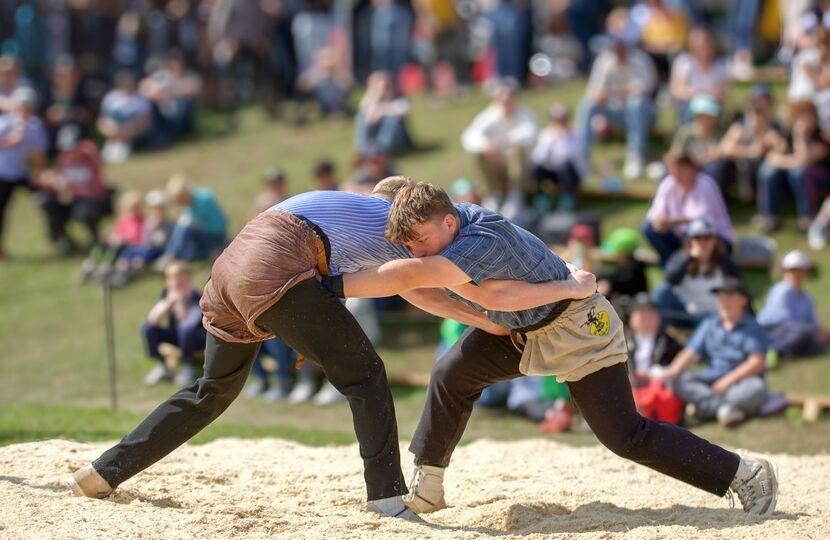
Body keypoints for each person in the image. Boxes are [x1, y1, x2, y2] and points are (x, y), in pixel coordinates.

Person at [66, 177, 544, 520]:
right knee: (366, 376)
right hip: (276, 264)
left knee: (210, 391)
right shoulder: (394, 224)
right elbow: (422, 290)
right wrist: (488, 320)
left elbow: (395, 285)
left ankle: (104, 472)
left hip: (229, 270)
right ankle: (386, 498)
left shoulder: (335, 206)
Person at [323, 182, 778, 517]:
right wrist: (484, 321)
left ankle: (744, 474)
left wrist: (331, 284)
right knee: (450, 374)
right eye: (407, 244)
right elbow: (417, 287)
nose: (415, 251)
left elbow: (490, 295)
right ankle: (429, 485)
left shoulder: (479, 238)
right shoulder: (442, 226)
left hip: (577, 326)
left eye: (419, 241)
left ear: (447, 221)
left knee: (625, 436)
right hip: (521, 327)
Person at [661, 278, 769, 428]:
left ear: (743, 300)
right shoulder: (710, 324)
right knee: (681, 380)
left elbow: (756, 363)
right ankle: (724, 409)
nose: (724, 302)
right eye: (721, 298)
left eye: (729, 297)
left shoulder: (753, 327)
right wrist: (671, 372)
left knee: (757, 388)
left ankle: (703, 408)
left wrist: (727, 381)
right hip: (711, 379)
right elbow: (691, 353)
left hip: (740, 382)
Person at [576, 35, 657, 180]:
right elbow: (593, 90)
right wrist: (601, 95)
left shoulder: (641, 59)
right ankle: (581, 156)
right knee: (588, 104)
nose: (618, 49)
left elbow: (646, 88)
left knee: (636, 103)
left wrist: (617, 93)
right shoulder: (603, 61)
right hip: (614, 111)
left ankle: (635, 156)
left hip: (643, 113)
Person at [642, 150, 734, 266]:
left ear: (690, 167)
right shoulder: (668, 183)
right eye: (672, 169)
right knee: (648, 227)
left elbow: (702, 218)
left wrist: (670, 221)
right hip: (682, 238)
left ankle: (688, 266)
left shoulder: (706, 184)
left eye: (679, 169)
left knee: (697, 229)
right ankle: (671, 265)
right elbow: (656, 211)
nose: (675, 173)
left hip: (714, 238)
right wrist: (659, 222)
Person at [460, 80, 537, 216]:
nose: (506, 103)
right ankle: (492, 196)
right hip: (496, 166)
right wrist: (487, 147)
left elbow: (530, 134)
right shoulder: (489, 116)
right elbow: (468, 137)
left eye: (509, 99)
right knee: (479, 154)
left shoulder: (525, 114)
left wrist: (502, 144)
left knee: (517, 151)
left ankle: (515, 196)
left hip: (521, 170)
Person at [755, 100, 830, 233]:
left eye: (807, 115)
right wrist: (790, 162)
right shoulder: (786, 134)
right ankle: (770, 218)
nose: (803, 120)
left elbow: (804, 159)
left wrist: (800, 136)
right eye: (800, 116)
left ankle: (807, 218)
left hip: (820, 177)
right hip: (790, 174)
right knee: (767, 171)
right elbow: (772, 157)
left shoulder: (820, 136)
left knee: (799, 172)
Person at [653, 218, 741, 328]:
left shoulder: (725, 262)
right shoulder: (679, 258)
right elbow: (669, 280)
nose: (702, 243)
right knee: (662, 290)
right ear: (690, 241)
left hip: (715, 315)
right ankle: (660, 331)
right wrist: (689, 258)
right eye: (697, 238)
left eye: (707, 238)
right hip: (686, 314)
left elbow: (738, 289)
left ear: (715, 240)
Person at [36, 125, 108, 254]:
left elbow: (90, 184)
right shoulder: (63, 158)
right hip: (71, 198)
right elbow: (62, 181)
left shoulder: (90, 156)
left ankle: (95, 239)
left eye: (72, 147)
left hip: (91, 198)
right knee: (47, 203)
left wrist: (70, 186)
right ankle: (62, 239)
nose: (69, 151)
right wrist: (53, 182)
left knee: (84, 212)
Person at [0, 87, 48, 260]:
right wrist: (13, 138)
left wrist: (40, 174)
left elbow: (40, 152)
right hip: (3, 174)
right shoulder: (4, 123)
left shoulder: (35, 125)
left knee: (48, 199)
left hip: (24, 173)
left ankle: (59, 236)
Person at [141, 262, 207, 387]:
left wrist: (181, 302)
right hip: (177, 334)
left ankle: (187, 367)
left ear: (188, 280)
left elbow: (188, 323)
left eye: (180, 280)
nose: (176, 283)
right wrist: (168, 303)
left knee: (185, 330)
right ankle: (162, 366)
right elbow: (153, 319)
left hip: (197, 338)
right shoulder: (167, 295)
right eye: (172, 279)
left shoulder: (196, 297)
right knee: (148, 328)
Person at [757, 250, 829, 359]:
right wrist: (811, 331)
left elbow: (813, 322)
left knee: (817, 345)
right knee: (801, 334)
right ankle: (772, 351)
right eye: (792, 271)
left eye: (800, 272)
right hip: (771, 331)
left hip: (796, 332)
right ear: (784, 273)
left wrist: (821, 332)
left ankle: (785, 352)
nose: (796, 275)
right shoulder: (781, 291)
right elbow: (784, 321)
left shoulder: (807, 297)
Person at [717, 85, 780, 203]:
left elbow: (778, 147)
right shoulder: (740, 124)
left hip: (762, 165)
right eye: (756, 100)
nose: (760, 104)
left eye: (764, 100)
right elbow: (724, 148)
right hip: (742, 167)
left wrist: (761, 134)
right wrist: (750, 151)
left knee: (767, 170)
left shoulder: (774, 126)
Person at [155, 175, 228, 266]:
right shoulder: (188, 206)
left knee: (184, 226)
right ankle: (176, 254)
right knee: (183, 227)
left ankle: (171, 254)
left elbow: (220, 225)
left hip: (215, 235)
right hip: (203, 237)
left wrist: (196, 224)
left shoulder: (204, 199)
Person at [138, 50, 203, 147]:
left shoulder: (190, 75)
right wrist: (157, 95)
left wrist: (170, 92)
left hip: (182, 112)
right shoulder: (163, 75)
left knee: (184, 105)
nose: (174, 67)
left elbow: (195, 88)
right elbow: (143, 87)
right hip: (163, 111)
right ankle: (160, 139)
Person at [79, 190, 145, 283]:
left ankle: (107, 264)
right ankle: (91, 264)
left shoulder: (141, 221)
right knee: (102, 244)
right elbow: (117, 232)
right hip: (119, 242)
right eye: (132, 207)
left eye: (136, 207)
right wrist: (110, 237)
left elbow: (138, 238)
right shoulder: (122, 220)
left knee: (115, 246)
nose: (134, 209)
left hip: (130, 246)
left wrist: (123, 239)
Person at [530, 103, 585, 212]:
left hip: (571, 174)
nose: (560, 123)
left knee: (566, 166)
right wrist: (551, 141)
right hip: (553, 172)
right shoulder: (546, 134)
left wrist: (563, 139)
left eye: (563, 120)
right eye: (557, 120)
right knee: (537, 168)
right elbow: (538, 157)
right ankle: (541, 199)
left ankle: (568, 200)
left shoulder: (575, 134)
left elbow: (571, 156)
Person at [669, 27, 729, 123]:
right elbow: (677, 90)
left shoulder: (723, 64)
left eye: (706, 44)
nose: (703, 48)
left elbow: (726, 92)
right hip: (689, 105)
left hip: (714, 106)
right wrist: (705, 91)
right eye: (699, 46)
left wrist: (698, 91)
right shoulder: (683, 62)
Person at [97, 70, 152, 164]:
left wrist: (127, 133)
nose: (126, 83)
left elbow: (145, 122)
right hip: (113, 135)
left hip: (132, 136)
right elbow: (102, 121)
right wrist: (112, 132)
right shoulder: (110, 98)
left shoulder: (141, 99)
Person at [626, 296, 683, 387]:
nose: (646, 320)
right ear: (631, 319)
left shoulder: (668, 340)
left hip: (659, 385)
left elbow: (676, 364)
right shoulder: (623, 340)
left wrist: (655, 374)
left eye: (650, 315)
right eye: (642, 315)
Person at [354, 71, 412, 155]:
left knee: (391, 120)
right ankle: (364, 150)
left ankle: (381, 150)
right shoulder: (372, 101)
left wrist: (381, 111)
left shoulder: (399, 99)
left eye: (385, 88)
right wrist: (375, 97)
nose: (382, 91)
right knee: (362, 117)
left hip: (397, 141)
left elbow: (404, 110)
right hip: (375, 137)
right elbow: (368, 114)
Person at [596, 227, 648, 305]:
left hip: (633, 305)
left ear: (622, 254)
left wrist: (607, 283)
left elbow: (612, 282)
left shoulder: (632, 272)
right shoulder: (621, 265)